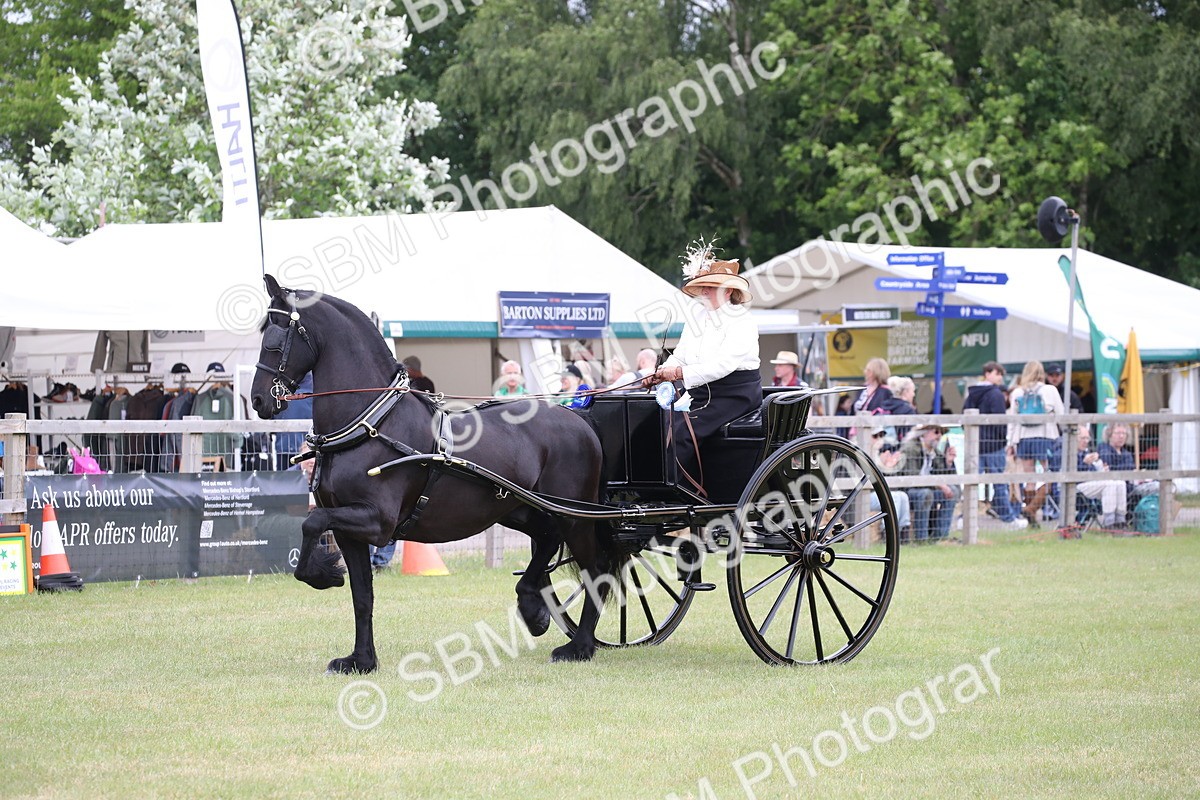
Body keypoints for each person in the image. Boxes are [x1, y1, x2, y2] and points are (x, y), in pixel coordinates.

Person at [645, 241, 760, 495]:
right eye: (703, 287)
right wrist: (662, 371)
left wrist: (679, 374)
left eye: (710, 287)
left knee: (682, 432)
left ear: (728, 291)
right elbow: (682, 355)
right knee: (653, 423)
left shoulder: (742, 321)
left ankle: (681, 493)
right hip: (701, 392)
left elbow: (724, 365)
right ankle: (651, 487)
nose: (704, 291)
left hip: (734, 394)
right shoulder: (697, 317)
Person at [963, 361, 1026, 529]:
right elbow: (1000, 421)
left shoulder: (972, 393)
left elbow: (964, 417)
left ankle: (965, 518)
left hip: (975, 444)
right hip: (993, 445)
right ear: (988, 373)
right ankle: (1008, 518)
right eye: (998, 374)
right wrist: (1001, 440)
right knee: (1000, 484)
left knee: (971, 483)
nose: (1000, 378)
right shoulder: (995, 394)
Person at [1006, 360, 1064, 525]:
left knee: (1030, 477)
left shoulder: (1017, 392)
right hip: (1045, 436)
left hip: (1024, 438)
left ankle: (1030, 514)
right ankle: (1032, 509)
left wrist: (1010, 442)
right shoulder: (1050, 390)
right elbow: (1061, 414)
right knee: (1047, 475)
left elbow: (1012, 419)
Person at [895, 423, 960, 542]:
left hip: (927, 489)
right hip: (907, 491)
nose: (939, 435)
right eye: (936, 432)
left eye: (941, 433)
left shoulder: (935, 452)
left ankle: (940, 537)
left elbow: (945, 477)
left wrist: (948, 463)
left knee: (953, 492)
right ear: (924, 432)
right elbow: (911, 478)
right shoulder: (910, 448)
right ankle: (922, 539)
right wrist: (937, 484)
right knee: (925, 494)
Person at [866, 424, 911, 540]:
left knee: (902, 496)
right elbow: (865, 482)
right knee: (894, 497)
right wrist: (881, 467)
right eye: (875, 436)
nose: (879, 439)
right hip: (861, 497)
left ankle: (902, 535)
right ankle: (887, 535)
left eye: (881, 435)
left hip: (875, 494)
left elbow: (886, 485)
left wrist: (889, 468)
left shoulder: (878, 454)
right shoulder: (859, 453)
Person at [1075, 427, 1128, 528]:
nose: (1086, 441)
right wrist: (1084, 464)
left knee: (1120, 483)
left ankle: (1120, 521)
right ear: (1074, 438)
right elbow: (1069, 475)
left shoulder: (1086, 453)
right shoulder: (1066, 451)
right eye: (1083, 438)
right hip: (1074, 487)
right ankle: (1109, 523)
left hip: (1090, 484)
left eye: (1087, 438)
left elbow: (1095, 473)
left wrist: (1101, 467)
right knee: (1109, 485)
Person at [1098, 422, 1159, 501]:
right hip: (1119, 489)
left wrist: (1140, 475)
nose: (1121, 436)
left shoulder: (1127, 454)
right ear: (1109, 435)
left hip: (1133, 485)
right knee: (1157, 487)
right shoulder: (1104, 451)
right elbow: (1111, 471)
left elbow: (1132, 471)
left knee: (1159, 484)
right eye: (1118, 433)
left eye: (1124, 433)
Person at [881, 375, 917, 440]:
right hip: (900, 447)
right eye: (913, 391)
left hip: (882, 445)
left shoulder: (884, 406)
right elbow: (910, 435)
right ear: (906, 392)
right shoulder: (908, 410)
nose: (913, 394)